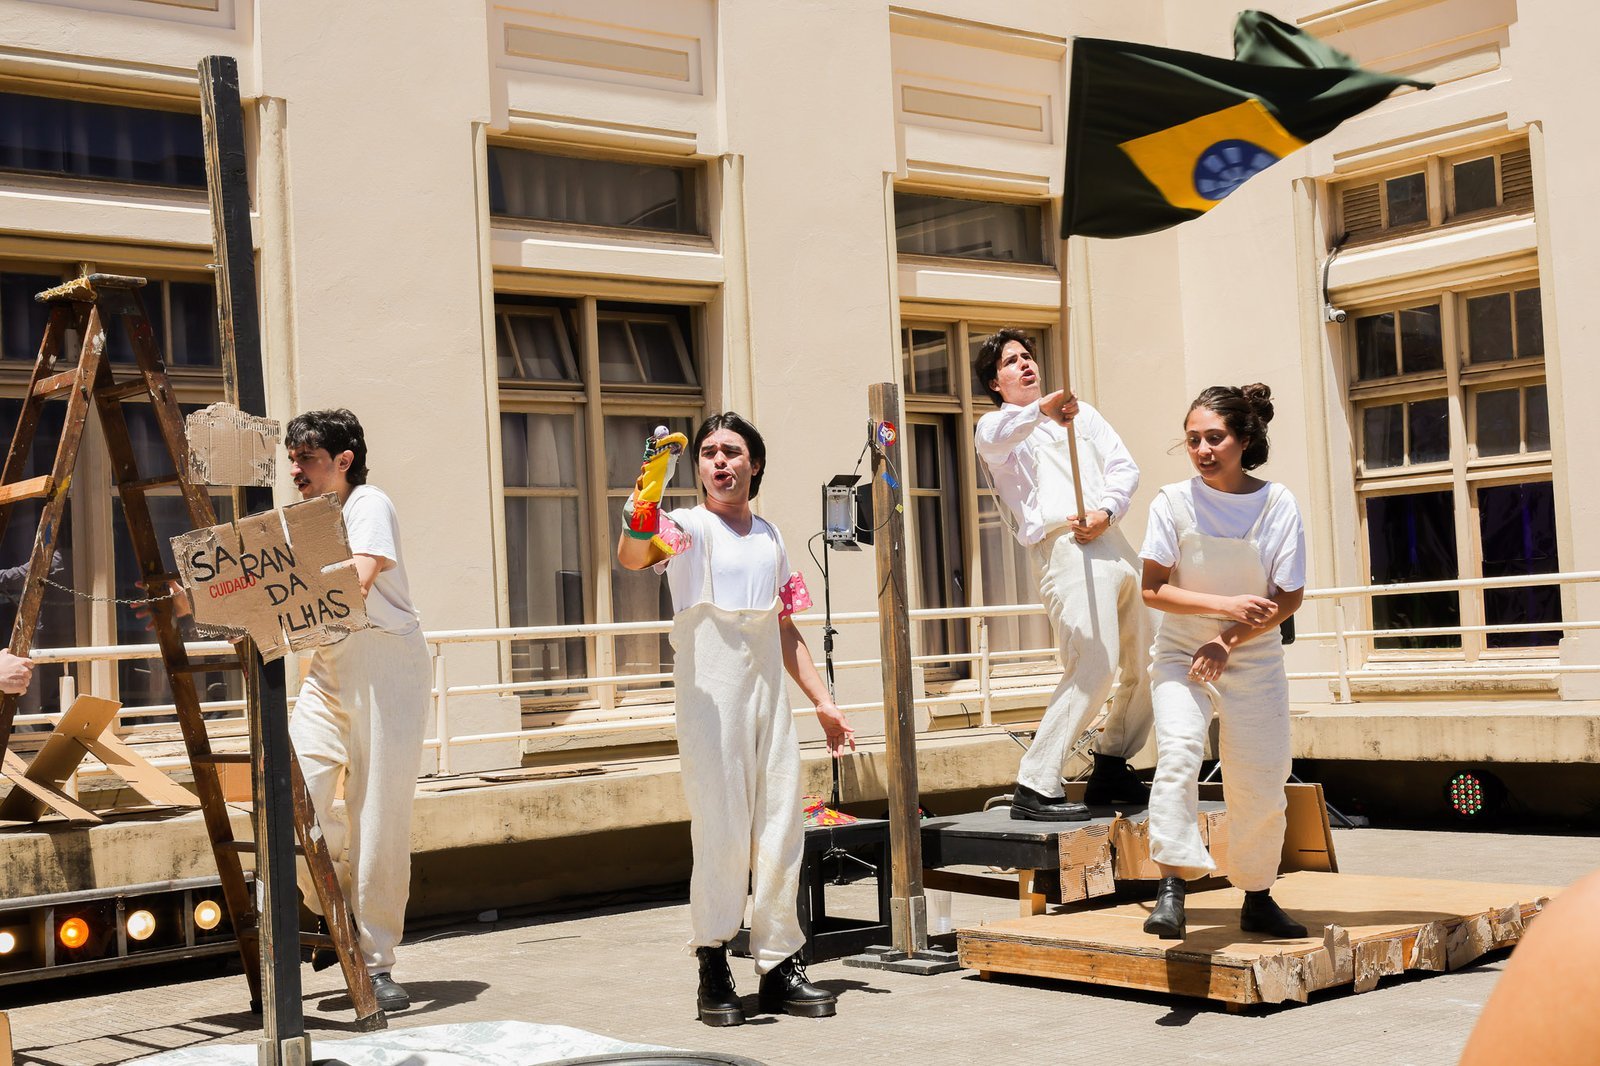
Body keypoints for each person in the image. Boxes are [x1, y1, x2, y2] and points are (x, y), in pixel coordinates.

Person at [617, 412, 855, 1027]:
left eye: (732, 451)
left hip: (767, 693)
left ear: (755, 463)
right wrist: (645, 494)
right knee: (721, 829)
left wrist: (823, 702)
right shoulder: (687, 528)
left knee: (781, 825)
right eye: (709, 453)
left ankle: (779, 964)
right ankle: (713, 963)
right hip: (710, 694)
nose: (720, 461)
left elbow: (786, 627)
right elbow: (633, 555)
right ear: (698, 467)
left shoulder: (772, 536)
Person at [1138, 384, 1307, 940]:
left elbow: (1288, 596)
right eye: (1193, 440)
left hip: (1252, 653)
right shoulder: (1171, 502)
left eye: (1215, 438)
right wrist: (1223, 607)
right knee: (1179, 755)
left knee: (1260, 779)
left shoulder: (1277, 503)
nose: (1203, 450)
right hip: (1182, 653)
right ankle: (1171, 888)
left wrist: (1230, 636)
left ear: (1244, 440)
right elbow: (1153, 589)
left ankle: (1257, 895)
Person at [973, 328, 1154, 820]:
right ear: (995, 383)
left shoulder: (1083, 415)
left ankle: (1112, 762)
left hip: (1112, 537)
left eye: (1027, 356)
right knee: (1094, 661)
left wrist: (1107, 510)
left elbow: (1124, 467)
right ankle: (1036, 781)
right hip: (1064, 546)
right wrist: (1042, 410)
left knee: (1152, 658)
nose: (1024, 363)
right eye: (1010, 361)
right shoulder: (995, 427)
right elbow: (999, 438)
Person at [285, 409, 430, 1012]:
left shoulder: (367, 502)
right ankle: (336, 905)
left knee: (379, 815)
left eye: (308, 459)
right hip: (329, 665)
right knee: (293, 795)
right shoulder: (307, 518)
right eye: (292, 460)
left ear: (343, 461)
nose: (296, 470)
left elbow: (360, 578)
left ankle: (376, 963)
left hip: (387, 666)